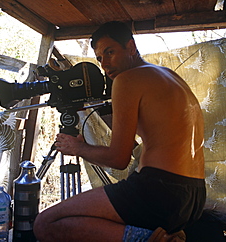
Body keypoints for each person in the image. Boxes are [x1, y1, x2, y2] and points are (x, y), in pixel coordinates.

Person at [33, 21, 206, 241]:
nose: (104, 63)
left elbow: (118, 159)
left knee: (45, 223)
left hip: (159, 192)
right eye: (99, 58)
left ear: (131, 47)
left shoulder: (127, 79)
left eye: (110, 52)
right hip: (194, 196)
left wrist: (78, 147)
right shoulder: (168, 76)